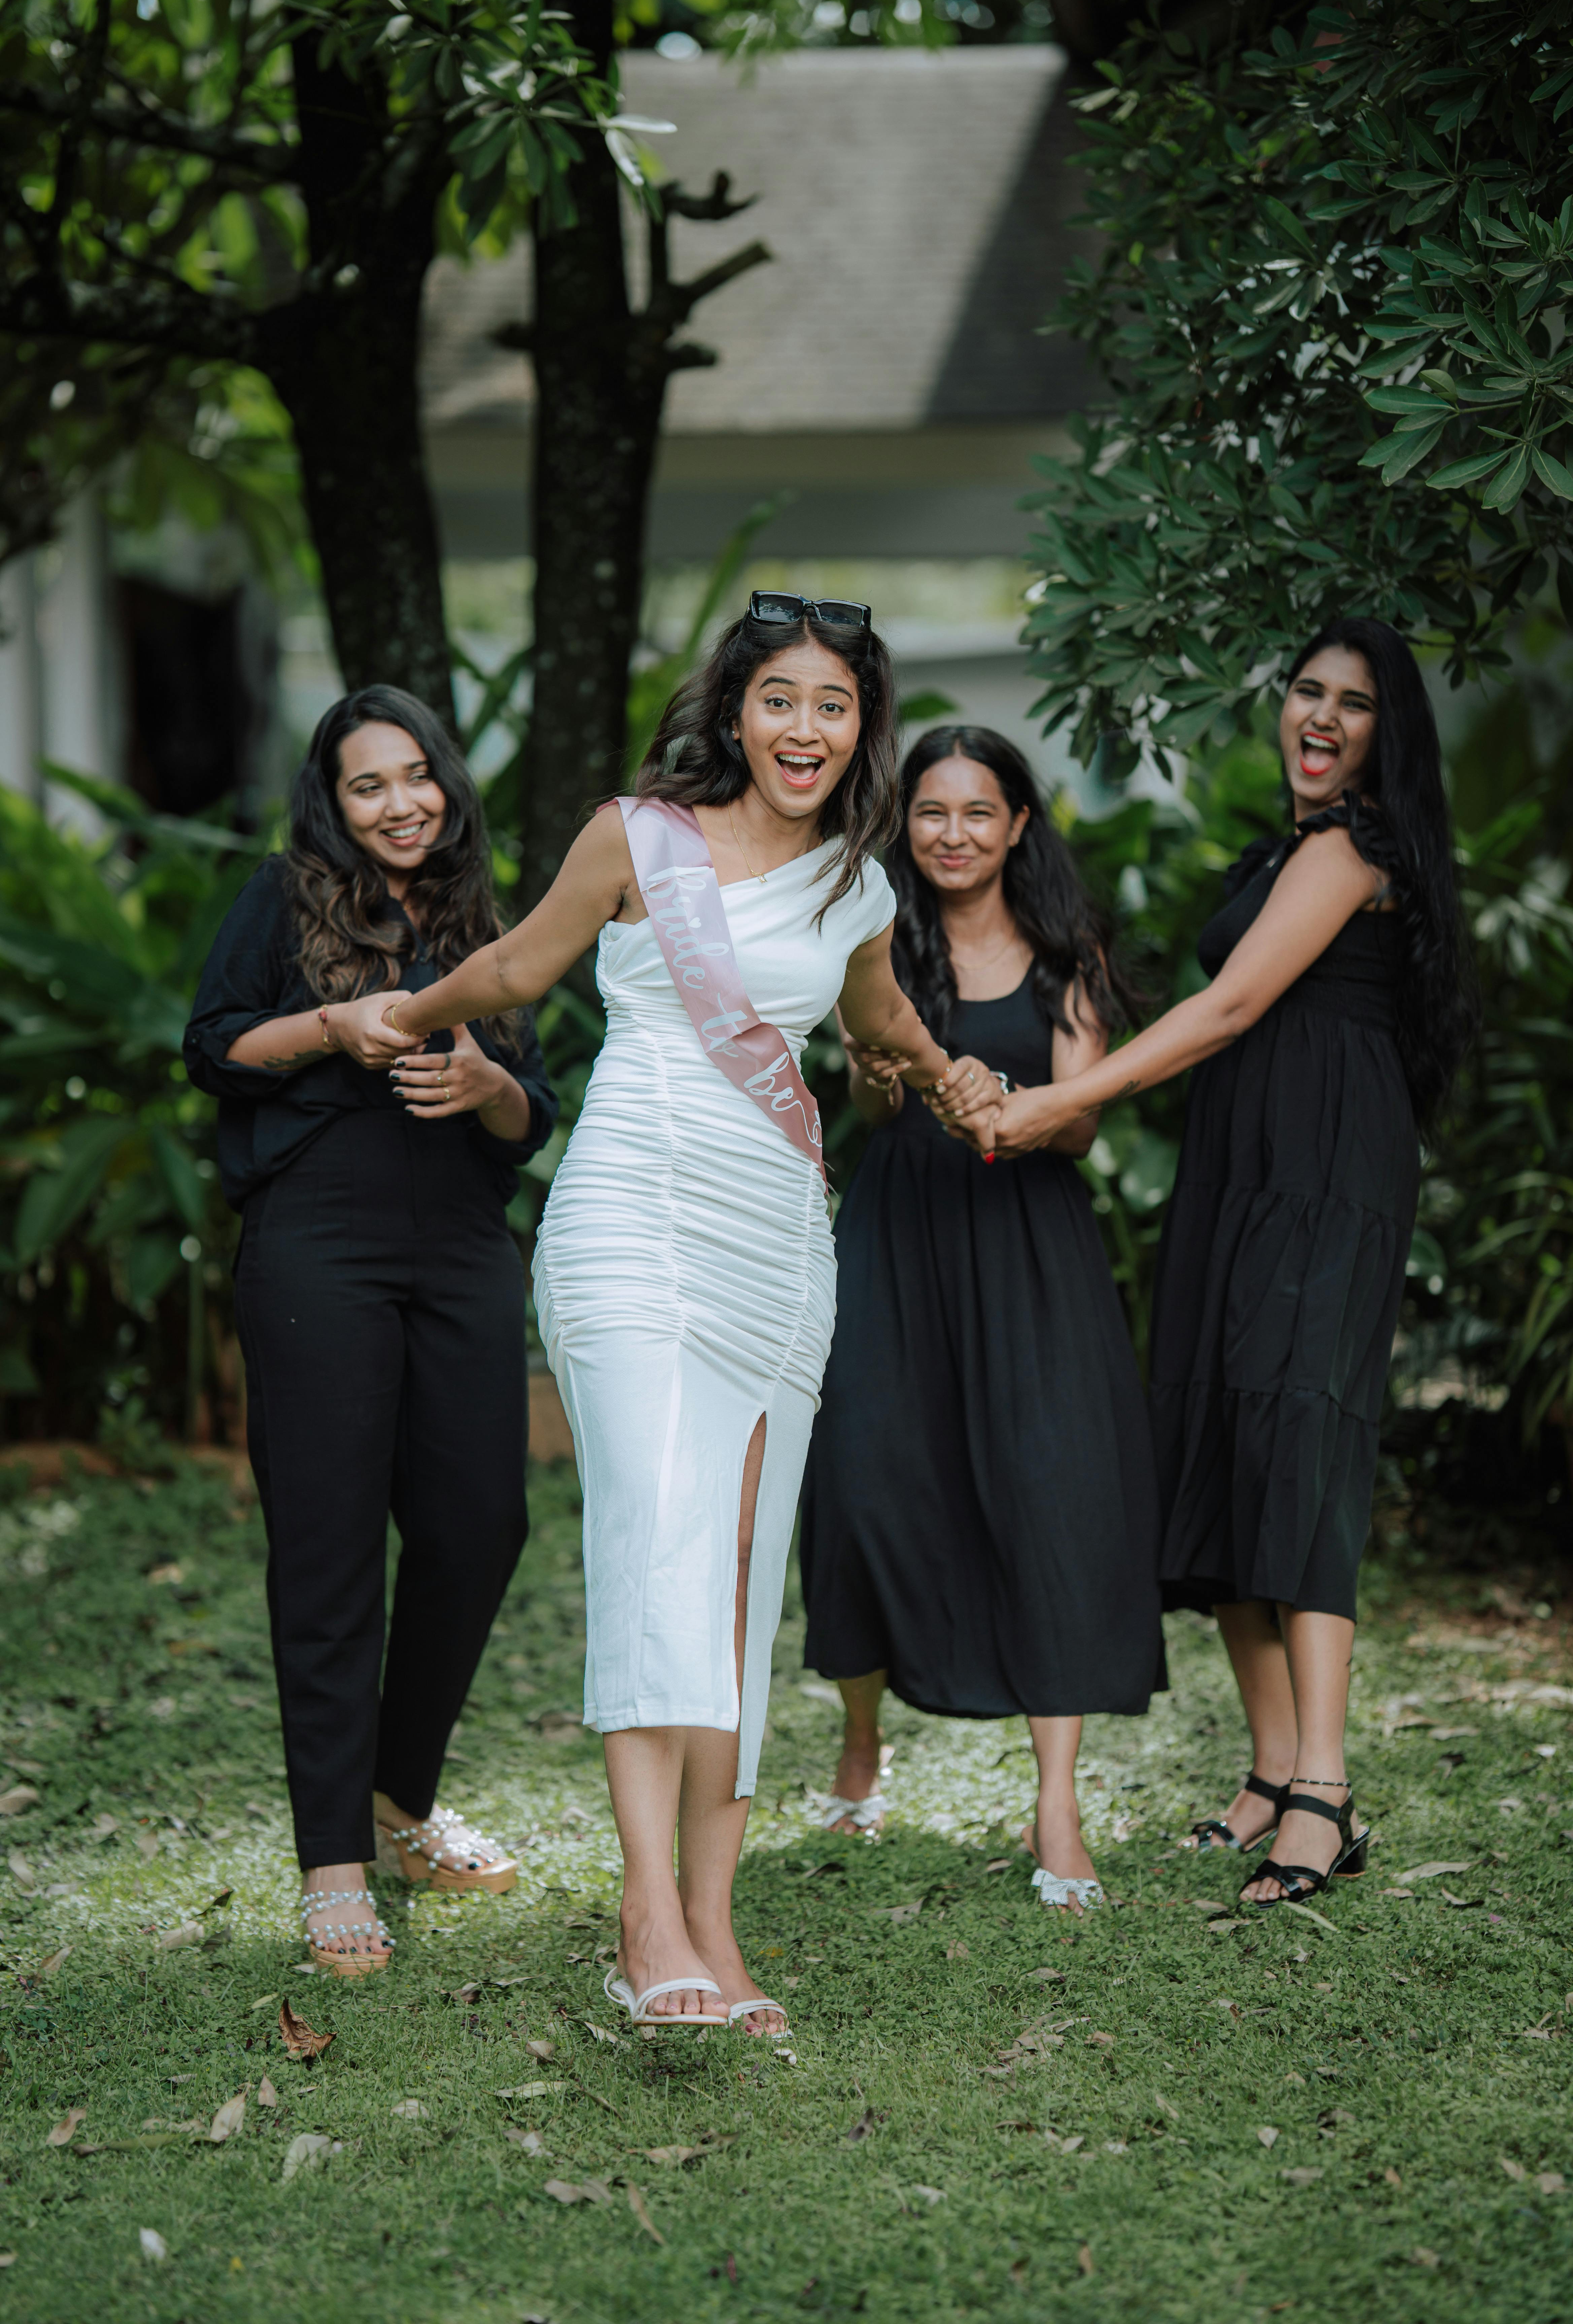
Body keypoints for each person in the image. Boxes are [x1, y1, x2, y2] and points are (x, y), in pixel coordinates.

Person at [382, 593, 997, 2032]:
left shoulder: (857, 884)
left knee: (733, 1572)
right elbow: (516, 970)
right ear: (735, 711)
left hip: (782, 1246)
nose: (804, 728)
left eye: (833, 705)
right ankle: (643, 1916)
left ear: (862, 729)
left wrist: (951, 1071)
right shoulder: (637, 836)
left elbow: (876, 1019)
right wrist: (402, 1019)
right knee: (659, 1546)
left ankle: (715, 1929)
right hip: (636, 1224)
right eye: (779, 697)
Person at [962, 619, 1474, 1907]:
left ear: (1386, 732)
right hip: (1240, 1175)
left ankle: (1327, 1795)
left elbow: (1236, 1005)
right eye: (1305, 689)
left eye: (1353, 704)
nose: (1320, 717)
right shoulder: (1288, 846)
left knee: (1298, 1446)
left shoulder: (1359, 849)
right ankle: (1268, 1773)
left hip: (1323, 1176)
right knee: (1225, 1437)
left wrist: (1046, 1111)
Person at [184, 686, 558, 1976]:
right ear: (331, 802)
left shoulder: (481, 913)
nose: (400, 804)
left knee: (479, 1524)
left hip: (458, 1244)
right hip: (319, 1244)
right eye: (367, 786)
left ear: (446, 783)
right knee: (333, 1548)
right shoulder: (286, 900)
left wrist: (489, 1083)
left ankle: (400, 1803)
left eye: (416, 777)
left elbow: (534, 1111)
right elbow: (215, 1046)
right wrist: (331, 1028)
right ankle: (334, 1863)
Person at [798, 727, 1165, 1912]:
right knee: (859, 1480)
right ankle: (862, 1739)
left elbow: (1084, 1122)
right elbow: (860, 1092)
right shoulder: (873, 937)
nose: (951, 833)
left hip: (1029, 1246)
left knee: (1050, 1499)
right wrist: (881, 1073)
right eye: (930, 812)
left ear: (1017, 826)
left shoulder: (1067, 950)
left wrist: (1008, 1109)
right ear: (904, 825)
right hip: (899, 1236)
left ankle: (1055, 1801)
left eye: (978, 812)